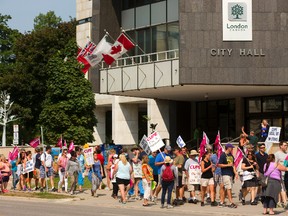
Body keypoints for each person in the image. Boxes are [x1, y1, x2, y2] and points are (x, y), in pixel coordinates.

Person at [218, 143, 238, 208]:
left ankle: (222, 201)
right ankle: (231, 202)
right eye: (231, 147)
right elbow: (219, 164)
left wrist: (235, 173)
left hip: (230, 174)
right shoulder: (223, 155)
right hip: (225, 173)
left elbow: (233, 165)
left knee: (226, 188)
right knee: (228, 188)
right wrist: (227, 165)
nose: (232, 149)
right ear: (228, 148)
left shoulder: (231, 155)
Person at [274, 141, 288, 208]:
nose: (286, 146)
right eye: (284, 145)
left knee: (283, 188)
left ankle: (280, 201)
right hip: (280, 174)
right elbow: (275, 164)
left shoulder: (287, 154)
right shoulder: (277, 154)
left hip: (286, 174)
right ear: (280, 146)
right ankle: (283, 202)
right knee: (282, 188)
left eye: (286, 145)